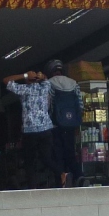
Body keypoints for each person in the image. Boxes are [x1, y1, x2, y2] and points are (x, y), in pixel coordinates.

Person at [4, 69, 56, 189]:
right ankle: (61, 173)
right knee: (46, 158)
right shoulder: (45, 87)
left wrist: (24, 75)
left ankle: (32, 187)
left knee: (29, 161)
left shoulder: (24, 89)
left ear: (27, 80)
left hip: (30, 131)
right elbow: (46, 79)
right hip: (46, 129)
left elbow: (6, 80)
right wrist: (42, 76)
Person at [45, 60, 84, 188]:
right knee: (70, 152)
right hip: (71, 125)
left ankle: (61, 180)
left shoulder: (49, 83)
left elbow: (48, 105)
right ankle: (78, 176)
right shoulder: (74, 83)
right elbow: (80, 105)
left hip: (56, 125)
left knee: (58, 154)